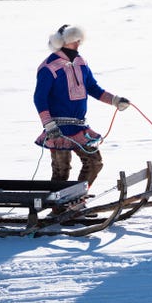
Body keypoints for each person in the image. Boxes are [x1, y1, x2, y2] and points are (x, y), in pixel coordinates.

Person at [34, 24, 130, 187]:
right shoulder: (48, 67)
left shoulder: (81, 62)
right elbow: (39, 99)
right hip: (57, 129)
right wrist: (49, 125)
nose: (78, 44)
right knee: (61, 171)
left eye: (79, 40)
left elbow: (92, 88)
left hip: (79, 127)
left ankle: (77, 201)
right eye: (73, 41)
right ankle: (58, 209)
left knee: (94, 163)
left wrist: (115, 100)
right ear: (60, 42)